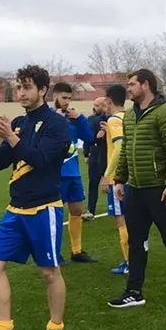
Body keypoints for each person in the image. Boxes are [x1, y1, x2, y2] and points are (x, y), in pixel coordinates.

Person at [0, 65, 71, 330]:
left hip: (44, 209)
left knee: (49, 273)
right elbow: (2, 162)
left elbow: (40, 160)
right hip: (15, 210)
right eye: (18, 87)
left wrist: (11, 138)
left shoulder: (56, 125)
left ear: (42, 90)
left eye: (27, 87)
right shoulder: (19, 122)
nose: (22, 92)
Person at [109, 68, 166, 309]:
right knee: (136, 241)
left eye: (133, 84)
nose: (129, 88)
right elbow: (124, 150)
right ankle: (134, 291)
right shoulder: (131, 116)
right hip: (135, 189)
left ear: (146, 85)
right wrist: (120, 179)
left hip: (160, 190)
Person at [50, 82, 97, 263]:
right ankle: (55, 252)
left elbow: (89, 138)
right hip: (56, 173)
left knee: (77, 210)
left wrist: (81, 119)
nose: (67, 102)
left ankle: (77, 251)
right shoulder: (49, 117)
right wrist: (60, 118)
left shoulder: (73, 117)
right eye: (64, 98)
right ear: (54, 97)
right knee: (56, 213)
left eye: (69, 98)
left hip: (74, 173)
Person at [101, 85, 130, 276]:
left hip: (118, 179)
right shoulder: (129, 117)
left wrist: (107, 175)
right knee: (132, 221)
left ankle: (130, 262)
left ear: (109, 100)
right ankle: (135, 258)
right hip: (132, 176)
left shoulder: (114, 119)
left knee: (122, 222)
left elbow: (119, 149)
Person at [83, 97, 108, 221]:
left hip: (108, 156)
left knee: (113, 183)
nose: (94, 107)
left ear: (104, 106)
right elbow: (87, 138)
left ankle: (115, 207)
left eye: (97, 105)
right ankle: (91, 210)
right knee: (93, 183)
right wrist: (86, 154)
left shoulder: (111, 119)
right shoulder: (91, 120)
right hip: (94, 156)